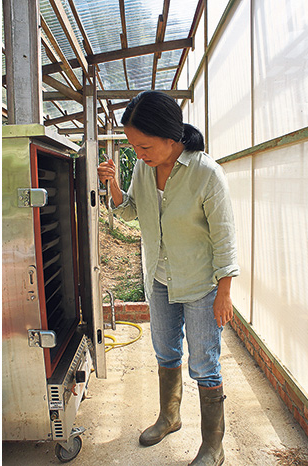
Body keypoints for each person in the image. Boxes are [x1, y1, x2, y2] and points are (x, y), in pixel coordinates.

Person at [98, 91, 239, 466]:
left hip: (200, 284)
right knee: (165, 352)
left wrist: (224, 291)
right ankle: (170, 417)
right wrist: (113, 184)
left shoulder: (207, 174)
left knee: (205, 363)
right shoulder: (144, 169)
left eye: (143, 146)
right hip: (158, 278)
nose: (138, 153)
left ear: (170, 138)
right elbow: (130, 213)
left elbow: (225, 235)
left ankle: (213, 446)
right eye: (133, 146)